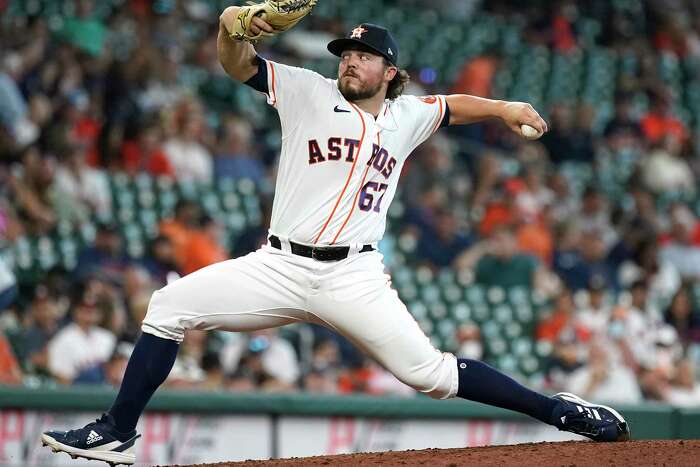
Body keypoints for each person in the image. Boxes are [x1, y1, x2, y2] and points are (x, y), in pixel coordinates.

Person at [41, 8, 629, 465]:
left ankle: (561, 412)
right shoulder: (305, 91)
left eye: (363, 55)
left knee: (431, 376)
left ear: (389, 72)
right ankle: (116, 432)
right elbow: (236, 63)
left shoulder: (407, 116)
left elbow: (452, 106)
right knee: (167, 306)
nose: (349, 61)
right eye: (345, 53)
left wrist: (504, 108)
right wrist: (231, 26)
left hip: (353, 275)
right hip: (278, 265)